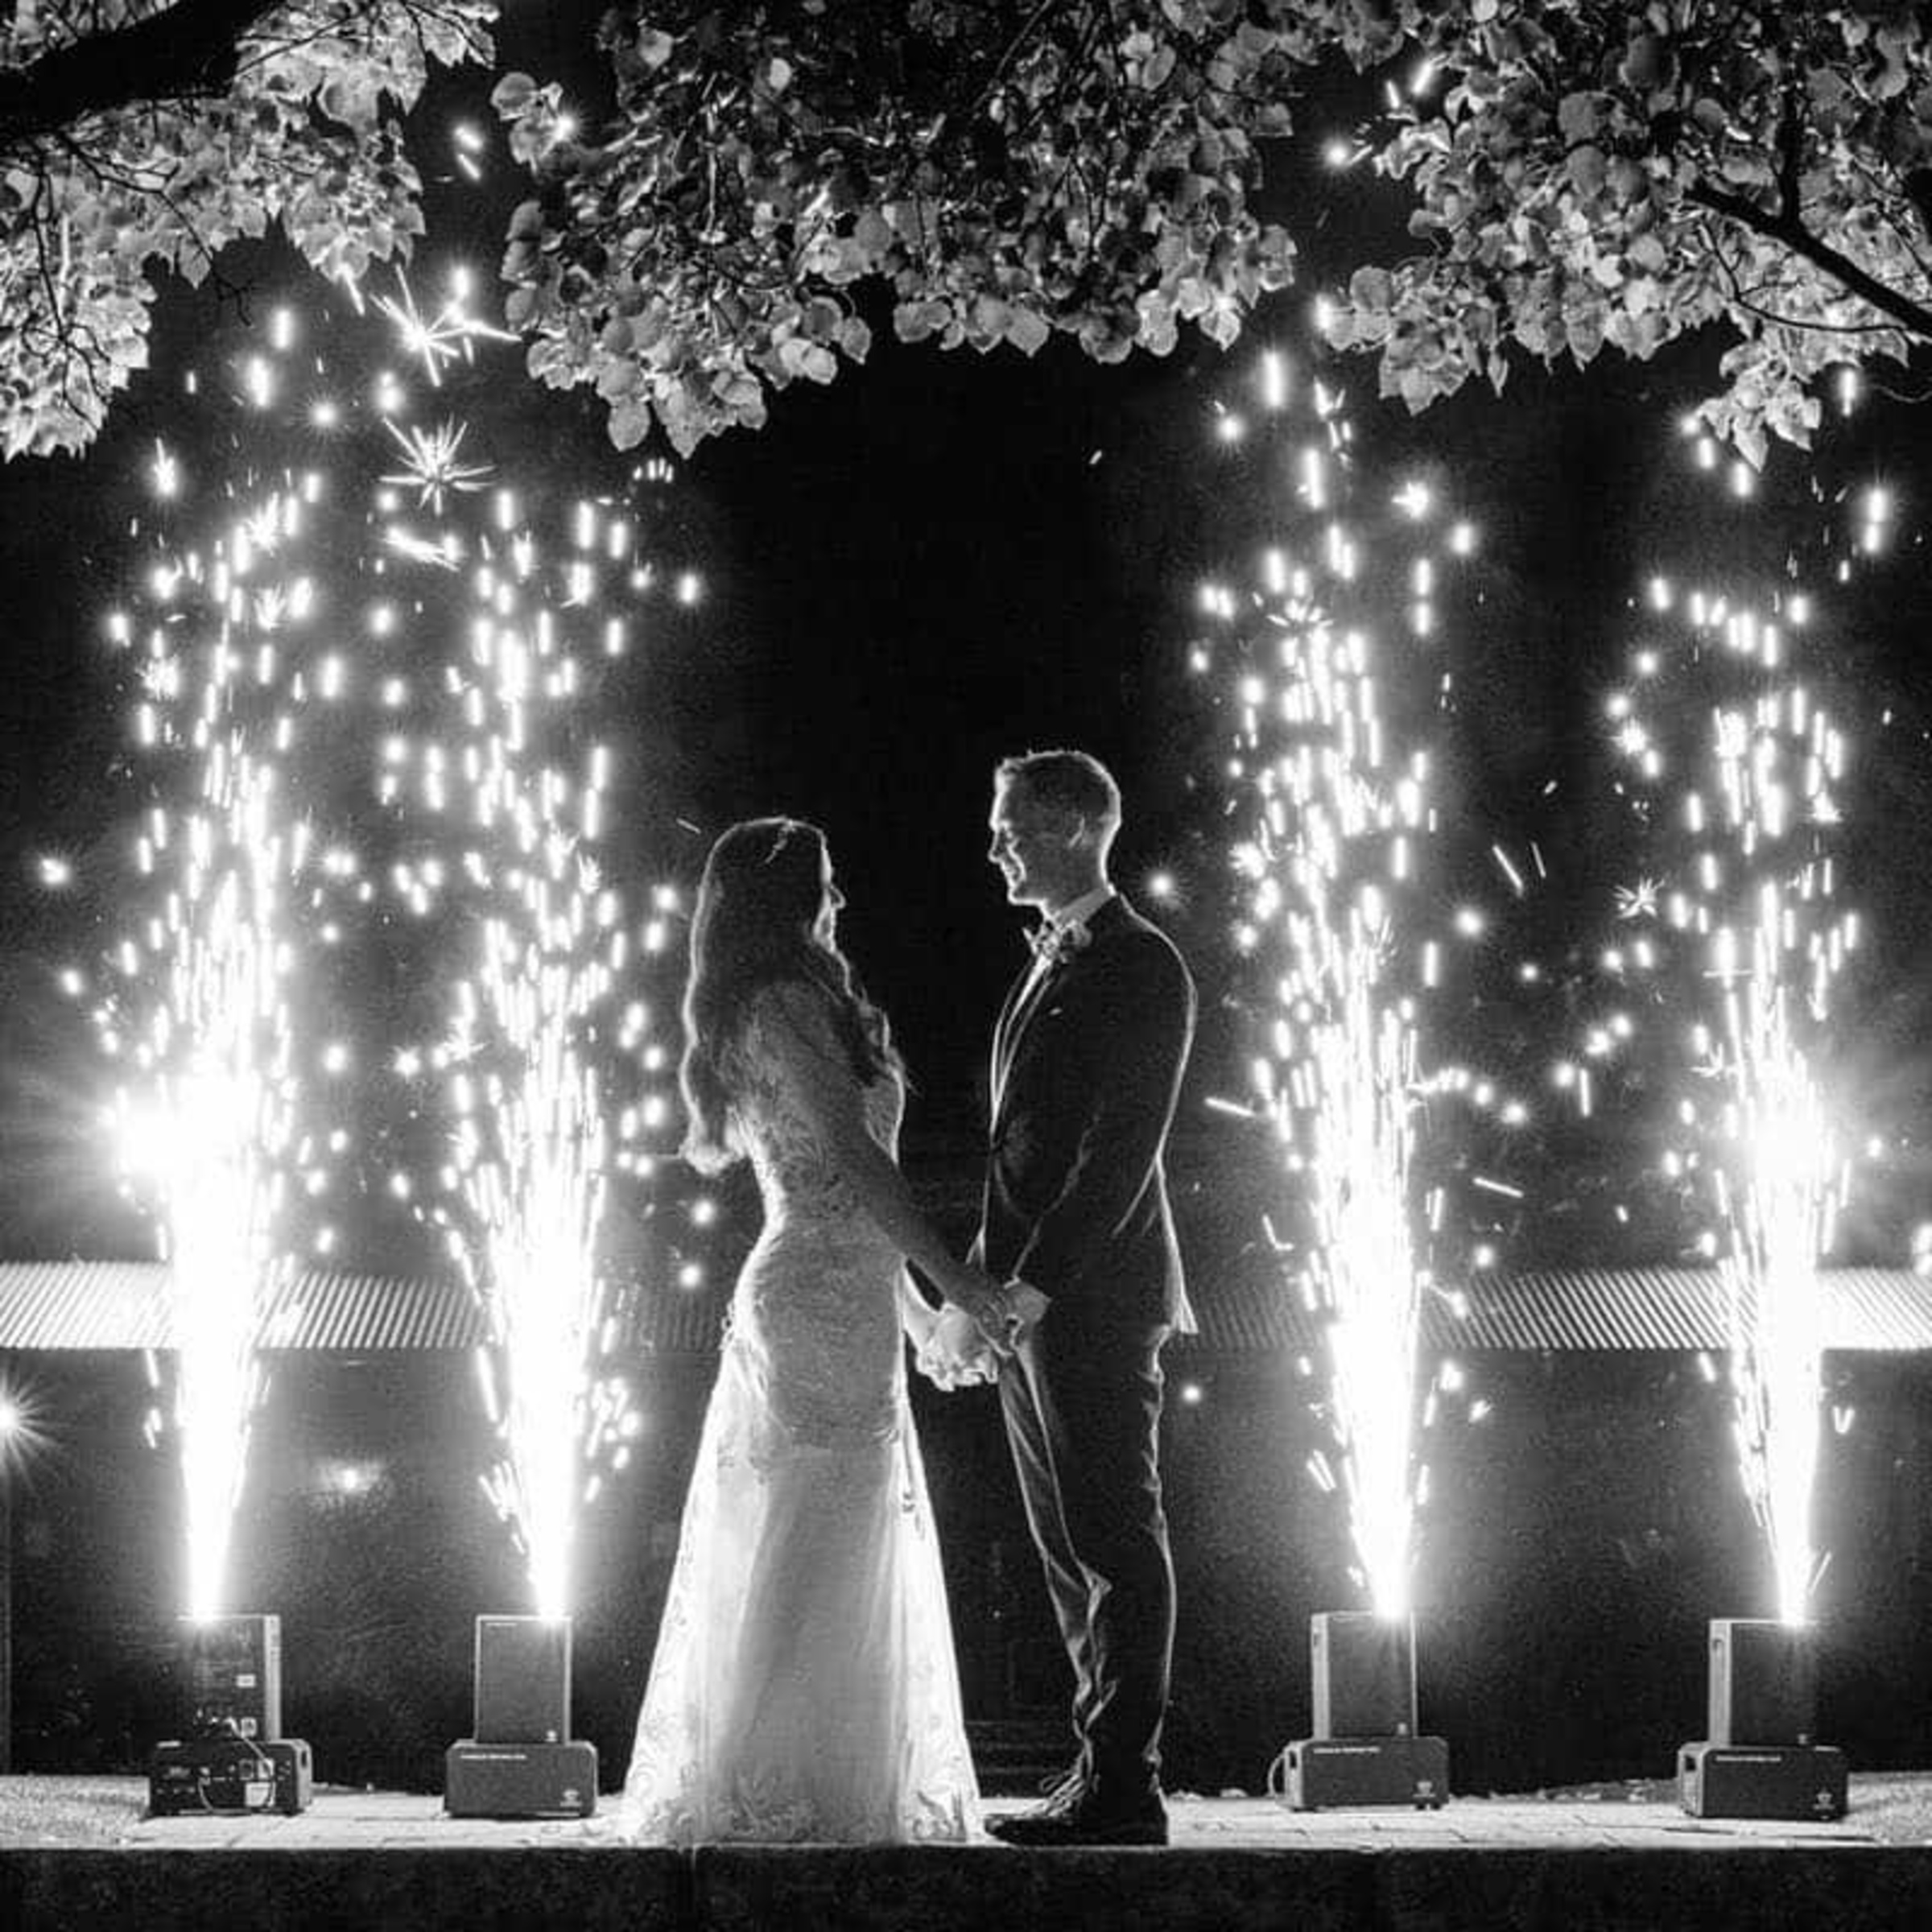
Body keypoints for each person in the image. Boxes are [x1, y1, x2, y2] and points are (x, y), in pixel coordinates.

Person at [615, 816, 1009, 1844]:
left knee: (843, 1530)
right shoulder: (783, 1004)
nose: (840, 902)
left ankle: (826, 1785)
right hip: (809, 1297)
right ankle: (783, 1790)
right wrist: (954, 1271)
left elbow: (849, 1200)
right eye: (826, 886)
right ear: (789, 902)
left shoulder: (788, 1003)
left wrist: (921, 1319)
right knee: (820, 1532)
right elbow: (849, 1161)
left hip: (844, 1295)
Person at [968, 749, 1196, 1847]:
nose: (997, 843)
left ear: (1069, 825)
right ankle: (1094, 1767)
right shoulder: (1048, 962)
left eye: (1012, 823)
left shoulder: (1143, 965)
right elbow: (1014, 1153)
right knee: (1067, 1547)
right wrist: (983, 1284)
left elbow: (1117, 1155)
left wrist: (1035, 1290)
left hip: (1093, 1300)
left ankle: (1126, 1786)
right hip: (1032, 1302)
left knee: (1114, 1533)